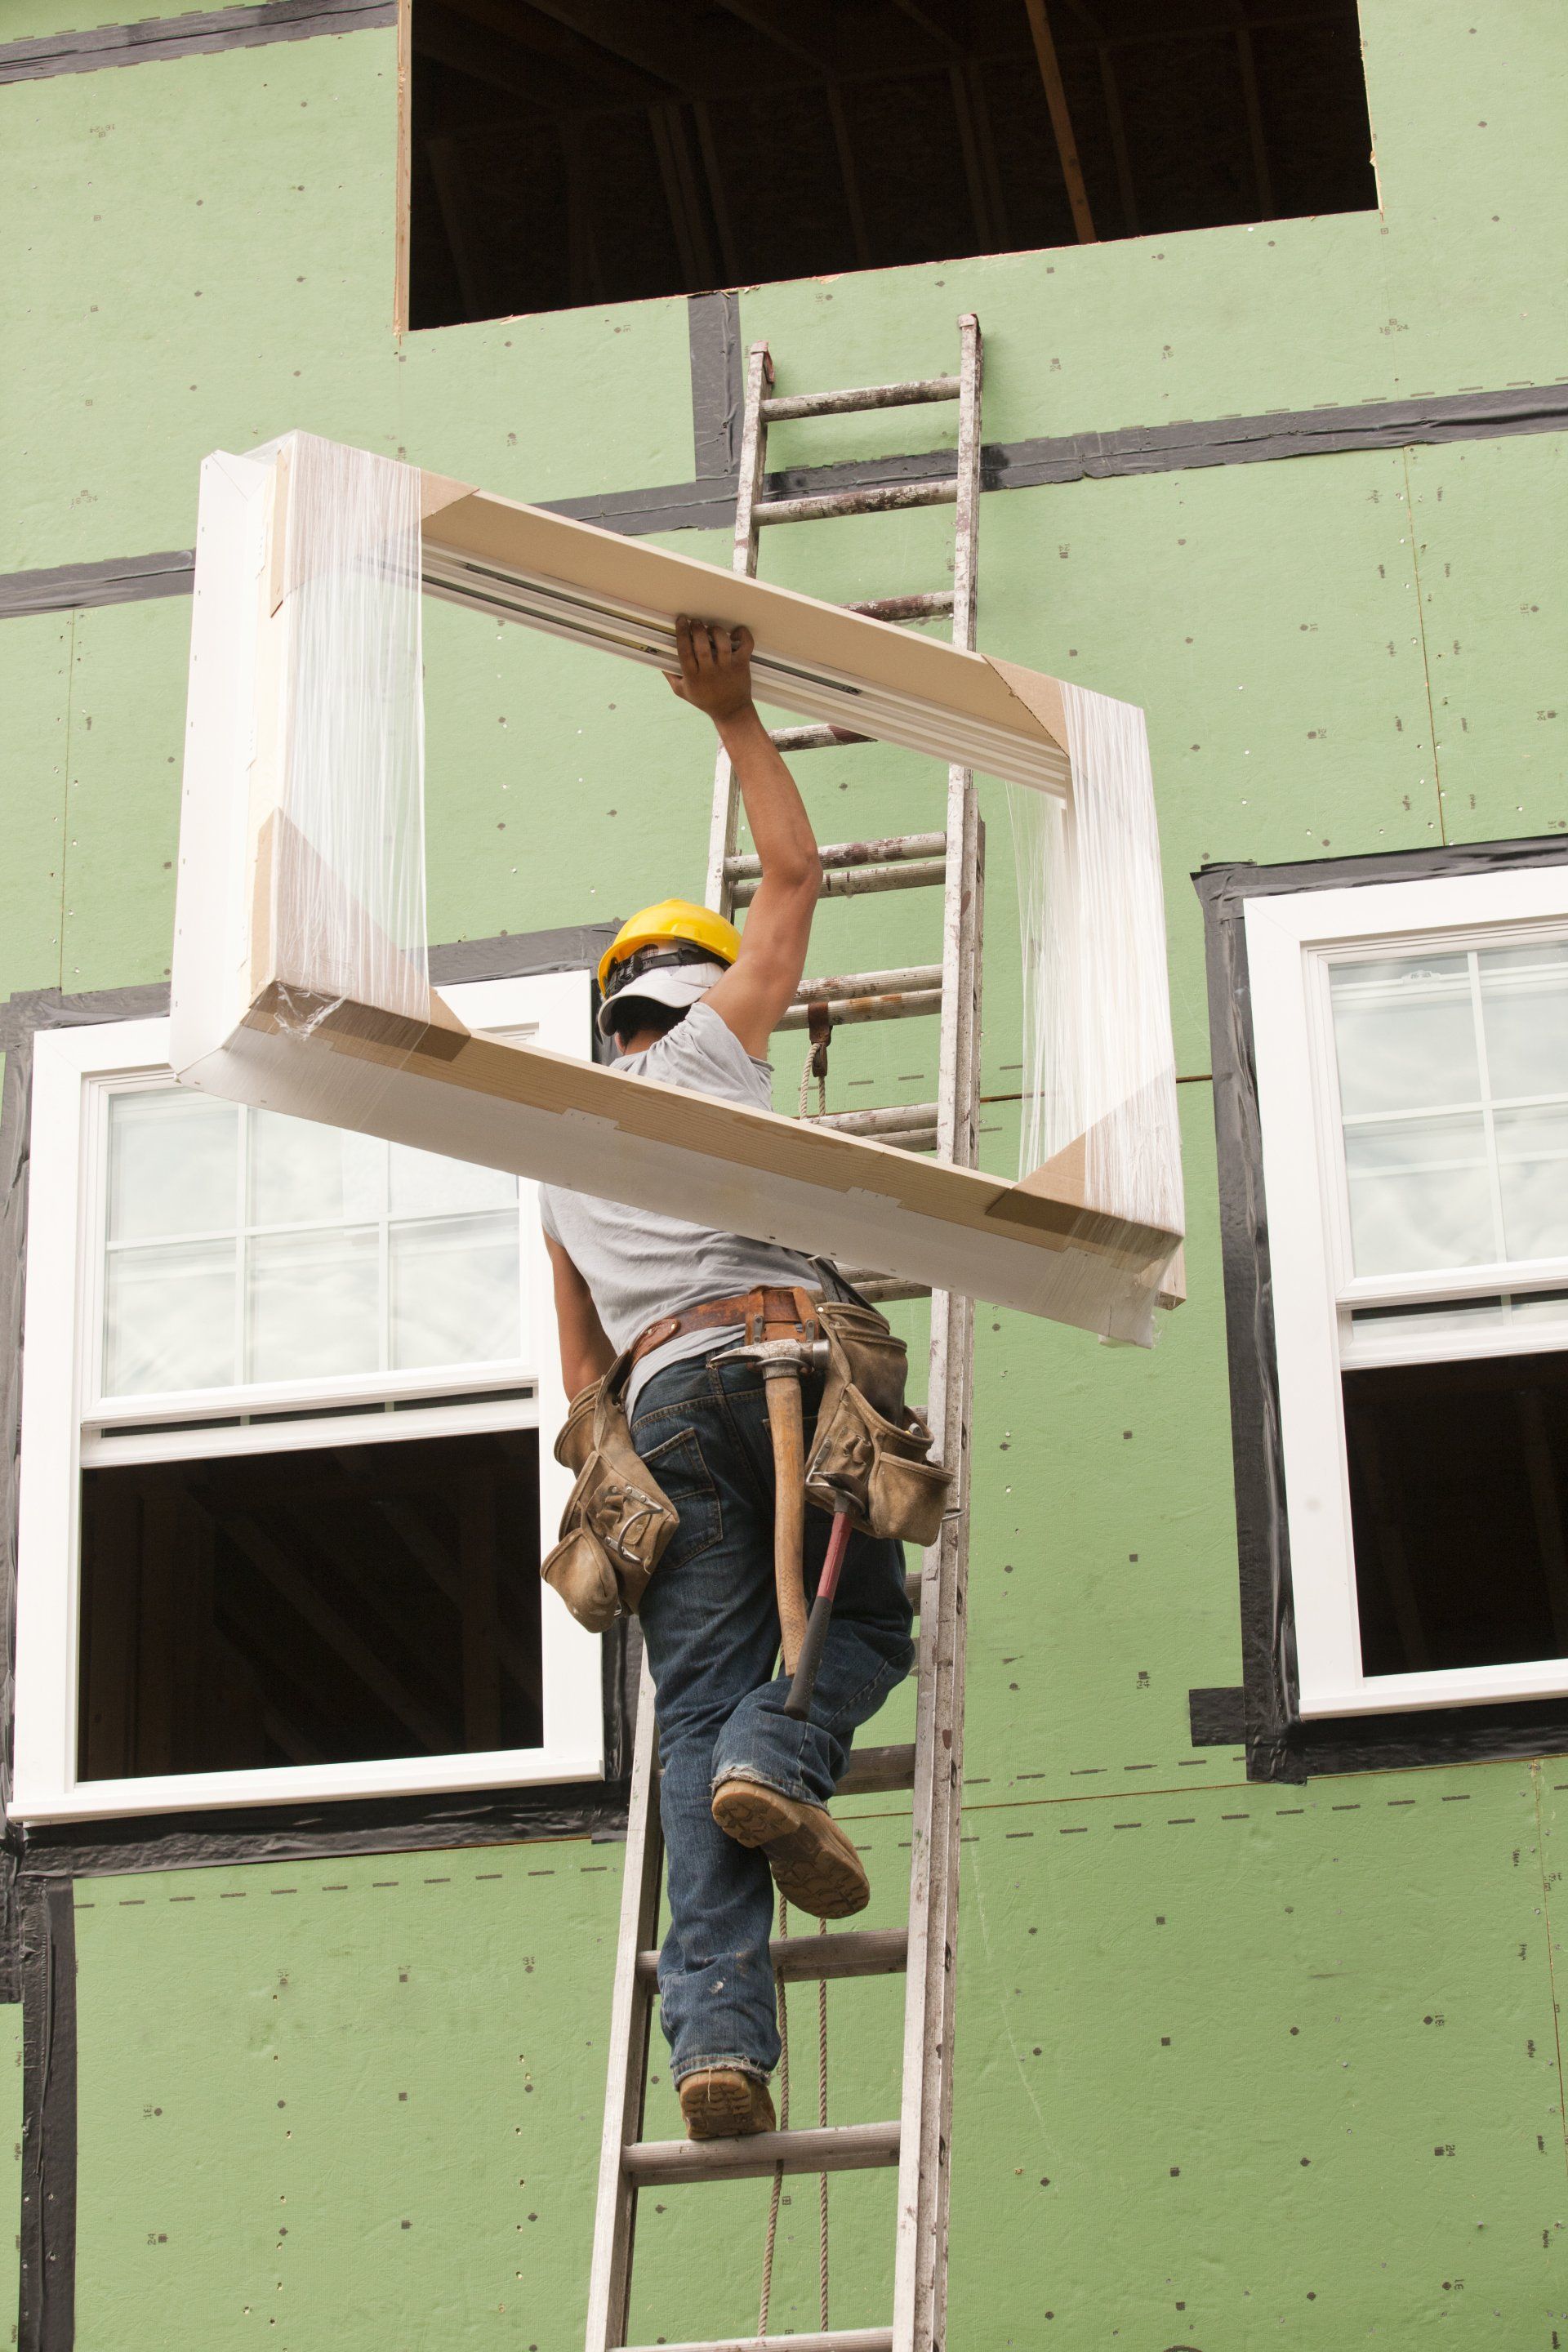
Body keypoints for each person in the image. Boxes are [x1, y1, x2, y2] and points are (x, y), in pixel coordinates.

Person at [539, 617, 914, 2142]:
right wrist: (737, 717)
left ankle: (716, 2046)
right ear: (682, 1002)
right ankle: (787, 1749)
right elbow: (800, 885)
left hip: (662, 1417)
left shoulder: (547, 1152)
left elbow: (575, 1369)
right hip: (779, 1366)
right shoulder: (704, 1051)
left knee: (687, 1715)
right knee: (868, 1617)